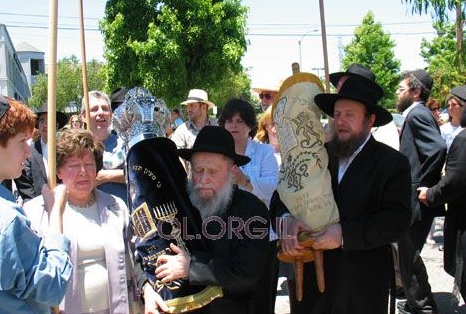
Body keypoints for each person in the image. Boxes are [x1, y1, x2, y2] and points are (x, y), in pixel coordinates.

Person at [272, 75, 412, 314]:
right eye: (336, 115)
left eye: (350, 114)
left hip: (360, 285)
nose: (341, 122)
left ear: (370, 120)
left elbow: (397, 221)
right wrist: (287, 224)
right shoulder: (317, 154)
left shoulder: (391, 163)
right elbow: (280, 198)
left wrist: (344, 234)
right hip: (310, 286)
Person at [23, 129, 161, 313]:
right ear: (58, 172)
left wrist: (147, 288)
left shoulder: (115, 206)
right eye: (73, 165)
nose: (83, 172)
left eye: (89, 164)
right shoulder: (37, 212)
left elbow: (134, 257)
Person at [0, 87, 72, 313]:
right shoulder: (3, 219)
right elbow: (51, 287)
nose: (27, 152)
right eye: (21, 141)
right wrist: (55, 214)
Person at [154, 126, 270, 313]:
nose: (203, 179)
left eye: (213, 171)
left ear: (232, 172)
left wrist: (192, 267)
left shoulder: (252, 210)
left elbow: (247, 272)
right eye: (199, 170)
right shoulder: (178, 205)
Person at [218, 98, 279, 314]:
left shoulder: (264, 153)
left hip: (261, 237)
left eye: (241, 121)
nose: (234, 125)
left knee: (261, 299)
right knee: (229, 301)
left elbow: (273, 186)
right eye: (229, 120)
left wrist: (246, 181)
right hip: (225, 237)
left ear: (251, 126)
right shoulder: (216, 153)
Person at [395, 69, 447, 314]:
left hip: (416, 199)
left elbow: (437, 149)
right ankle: (419, 302)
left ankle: (424, 307)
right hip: (413, 197)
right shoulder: (416, 114)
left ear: (416, 92)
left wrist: (423, 185)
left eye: (401, 88)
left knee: (409, 255)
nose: (397, 92)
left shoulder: (417, 114)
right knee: (407, 255)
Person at [417, 85, 466, 303]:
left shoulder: (463, 140)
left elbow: (454, 181)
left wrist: (431, 194)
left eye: (455, 104)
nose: (449, 108)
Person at [15, 102, 68, 201]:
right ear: (38, 125)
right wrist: (34, 205)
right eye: (42, 121)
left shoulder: (67, 149)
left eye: (50, 120)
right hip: (38, 205)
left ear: (56, 125)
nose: (46, 125)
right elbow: (25, 182)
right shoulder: (29, 150)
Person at [81, 90, 127, 203]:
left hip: (123, 214)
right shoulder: (78, 147)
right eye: (94, 109)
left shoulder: (125, 143)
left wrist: (106, 176)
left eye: (105, 108)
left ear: (111, 114)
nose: (101, 112)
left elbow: (138, 174)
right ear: (83, 116)